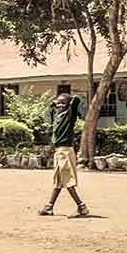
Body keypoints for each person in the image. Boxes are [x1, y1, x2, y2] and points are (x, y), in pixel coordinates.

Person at [39, 82, 89, 218]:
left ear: (68, 105)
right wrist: (55, 103)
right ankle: (49, 207)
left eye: (63, 103)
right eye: (58, 103)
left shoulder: (69, 116)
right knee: (58, 181)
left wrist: (70, 99)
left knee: (67, 181)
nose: (60, 105)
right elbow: (51, 108)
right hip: (58, 152)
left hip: (65, 151)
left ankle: (81, 207)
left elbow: (76, 100)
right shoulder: (57, 116)